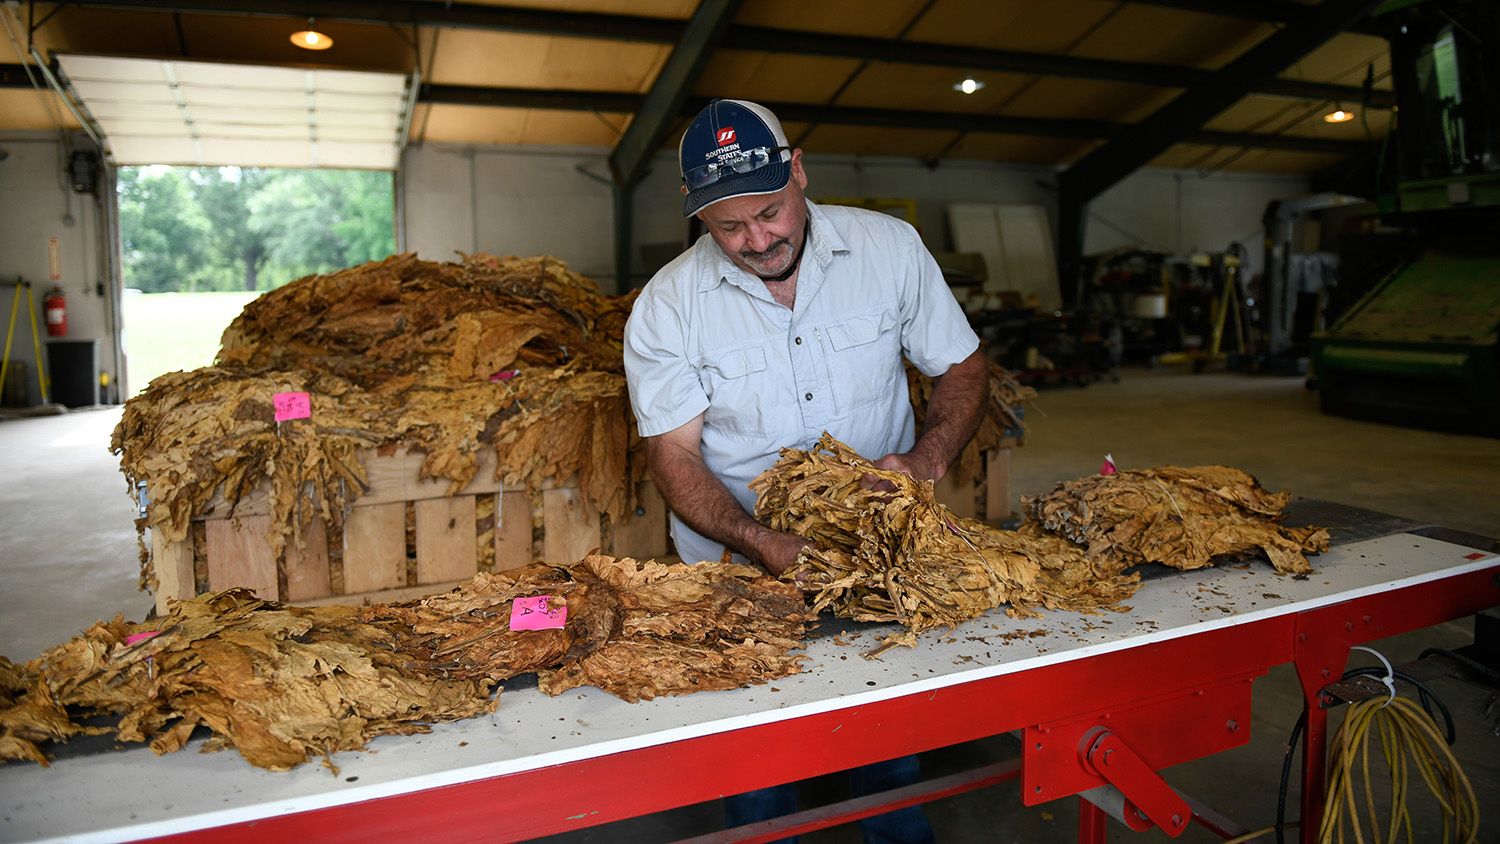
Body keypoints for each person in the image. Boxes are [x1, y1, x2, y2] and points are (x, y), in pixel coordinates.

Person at [622, 99, 986, 844]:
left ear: (799, 171)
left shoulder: (890, 249)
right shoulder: (667, 307)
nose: (758, 239)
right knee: (760, 767)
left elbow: (962, 365)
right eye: (729, 227)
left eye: (769, 212)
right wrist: (757, 540)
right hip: (739, 574)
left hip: (873, 551)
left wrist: (925, 462)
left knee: (884, 745)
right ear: (698, 219)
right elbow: (674, 455)